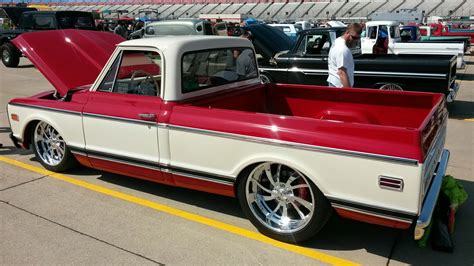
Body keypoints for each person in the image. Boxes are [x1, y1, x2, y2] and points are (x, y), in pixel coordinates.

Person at [327, 23, 362, 88]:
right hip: (339, 86)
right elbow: (342, 73)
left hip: (334, 82)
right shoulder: (342, 49)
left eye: (358, 38)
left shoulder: (337, 41)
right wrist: (348, 92)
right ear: (347, 32)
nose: (355, 40)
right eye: (353, 37)